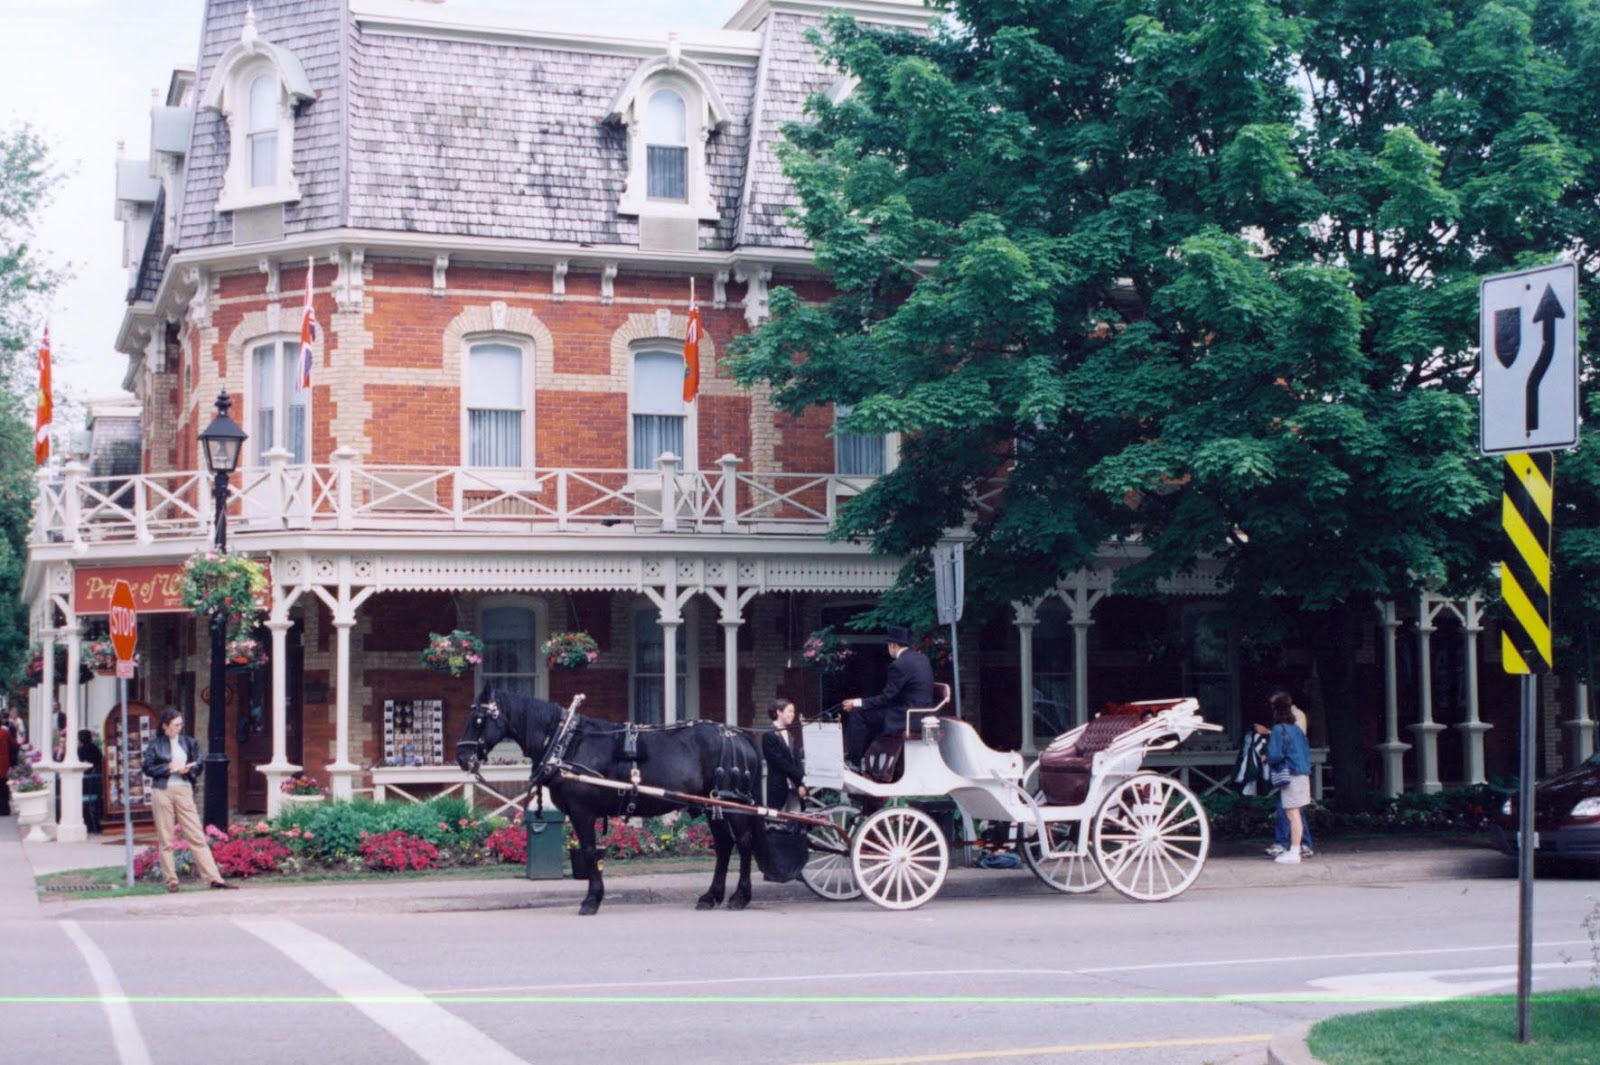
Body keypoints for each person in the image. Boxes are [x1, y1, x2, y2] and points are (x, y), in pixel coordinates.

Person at [142, 709, 237, 892]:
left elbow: (198, 763)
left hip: (183, 789)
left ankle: (214, 878)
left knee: (196, 835)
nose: (179, 727)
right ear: (165, 726)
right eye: (175, 725)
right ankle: (171, 881)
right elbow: (147, 768)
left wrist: (189, 770)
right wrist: (167, 767)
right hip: (163, 790)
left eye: (180, 724)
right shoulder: (156, 745)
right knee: (166, 838)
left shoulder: (188, 742)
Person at [841, 625, 936, 769]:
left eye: (888, 645)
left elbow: (887, 697)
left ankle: (853, 762)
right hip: (921, 714)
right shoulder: (923, 659)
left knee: (858, 714)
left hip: (905, 717)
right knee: (872, 715)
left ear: (893, 645)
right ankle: (869, 760)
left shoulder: (899, 665)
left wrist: (858, 702)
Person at [1255, 691, 1316, 858]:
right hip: (1302, 772)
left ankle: (1294, 851)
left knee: (1292, 813)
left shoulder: (1278, 729)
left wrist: (1267, 757)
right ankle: (1299, 847)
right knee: (1295, 812)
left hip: (1290, 773)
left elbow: (1276, 754)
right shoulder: (1296, 730)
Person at [761, 699, 808, 812]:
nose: (793, 715)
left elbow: (796, 760)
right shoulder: (768, 735)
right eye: (790, 711)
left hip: (794, 787)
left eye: (793, 712)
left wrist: (801, 784)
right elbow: (779, 762)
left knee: (796, 820)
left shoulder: (790, 734)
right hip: (778, 786)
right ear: (779, 712)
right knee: (778, 822)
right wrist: (800, 777)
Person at [77, 729, 104, 834]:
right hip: (96, 783)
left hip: (86, 783)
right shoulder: (95, 748)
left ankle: (89, 824)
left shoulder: (81, 750)